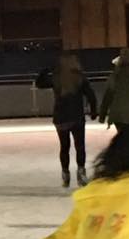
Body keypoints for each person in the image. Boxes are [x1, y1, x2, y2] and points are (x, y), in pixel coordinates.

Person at [36, 53, 98, 187]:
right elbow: (91, 95)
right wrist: (93, 111)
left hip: (61, 117)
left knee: (64, 147)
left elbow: (39, 84)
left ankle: (65, 174)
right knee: (80, 146)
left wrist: (45, 71)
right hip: (76, 117)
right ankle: (81, 173)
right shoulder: (79, 78)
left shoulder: (56, 78)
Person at [99, 48, 129, 133]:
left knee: (123, 137)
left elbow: (107, 97)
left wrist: (102, 115)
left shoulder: (114, 77)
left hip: (119, 114)